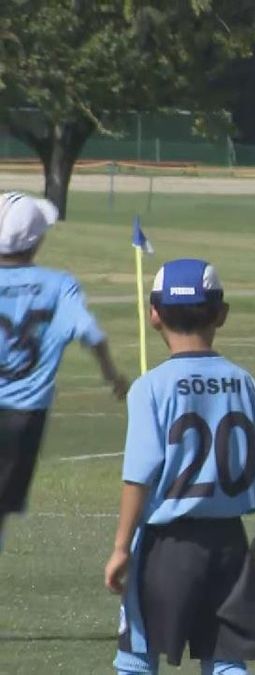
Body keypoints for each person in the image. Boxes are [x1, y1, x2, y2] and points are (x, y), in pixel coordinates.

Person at [105, 258, 255, 674]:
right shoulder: (242, 382)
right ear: (221, 314)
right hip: (228, 546)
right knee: (226, 661)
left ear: (154, 315)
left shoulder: (150, 387)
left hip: (163, 546)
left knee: (138, 657)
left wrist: (120, 548)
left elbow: (139, 473)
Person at [0, 192, 128, 552]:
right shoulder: (59, 285)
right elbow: (90, 333)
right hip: (23, 417)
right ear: (38, 240)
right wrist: (112, 376)